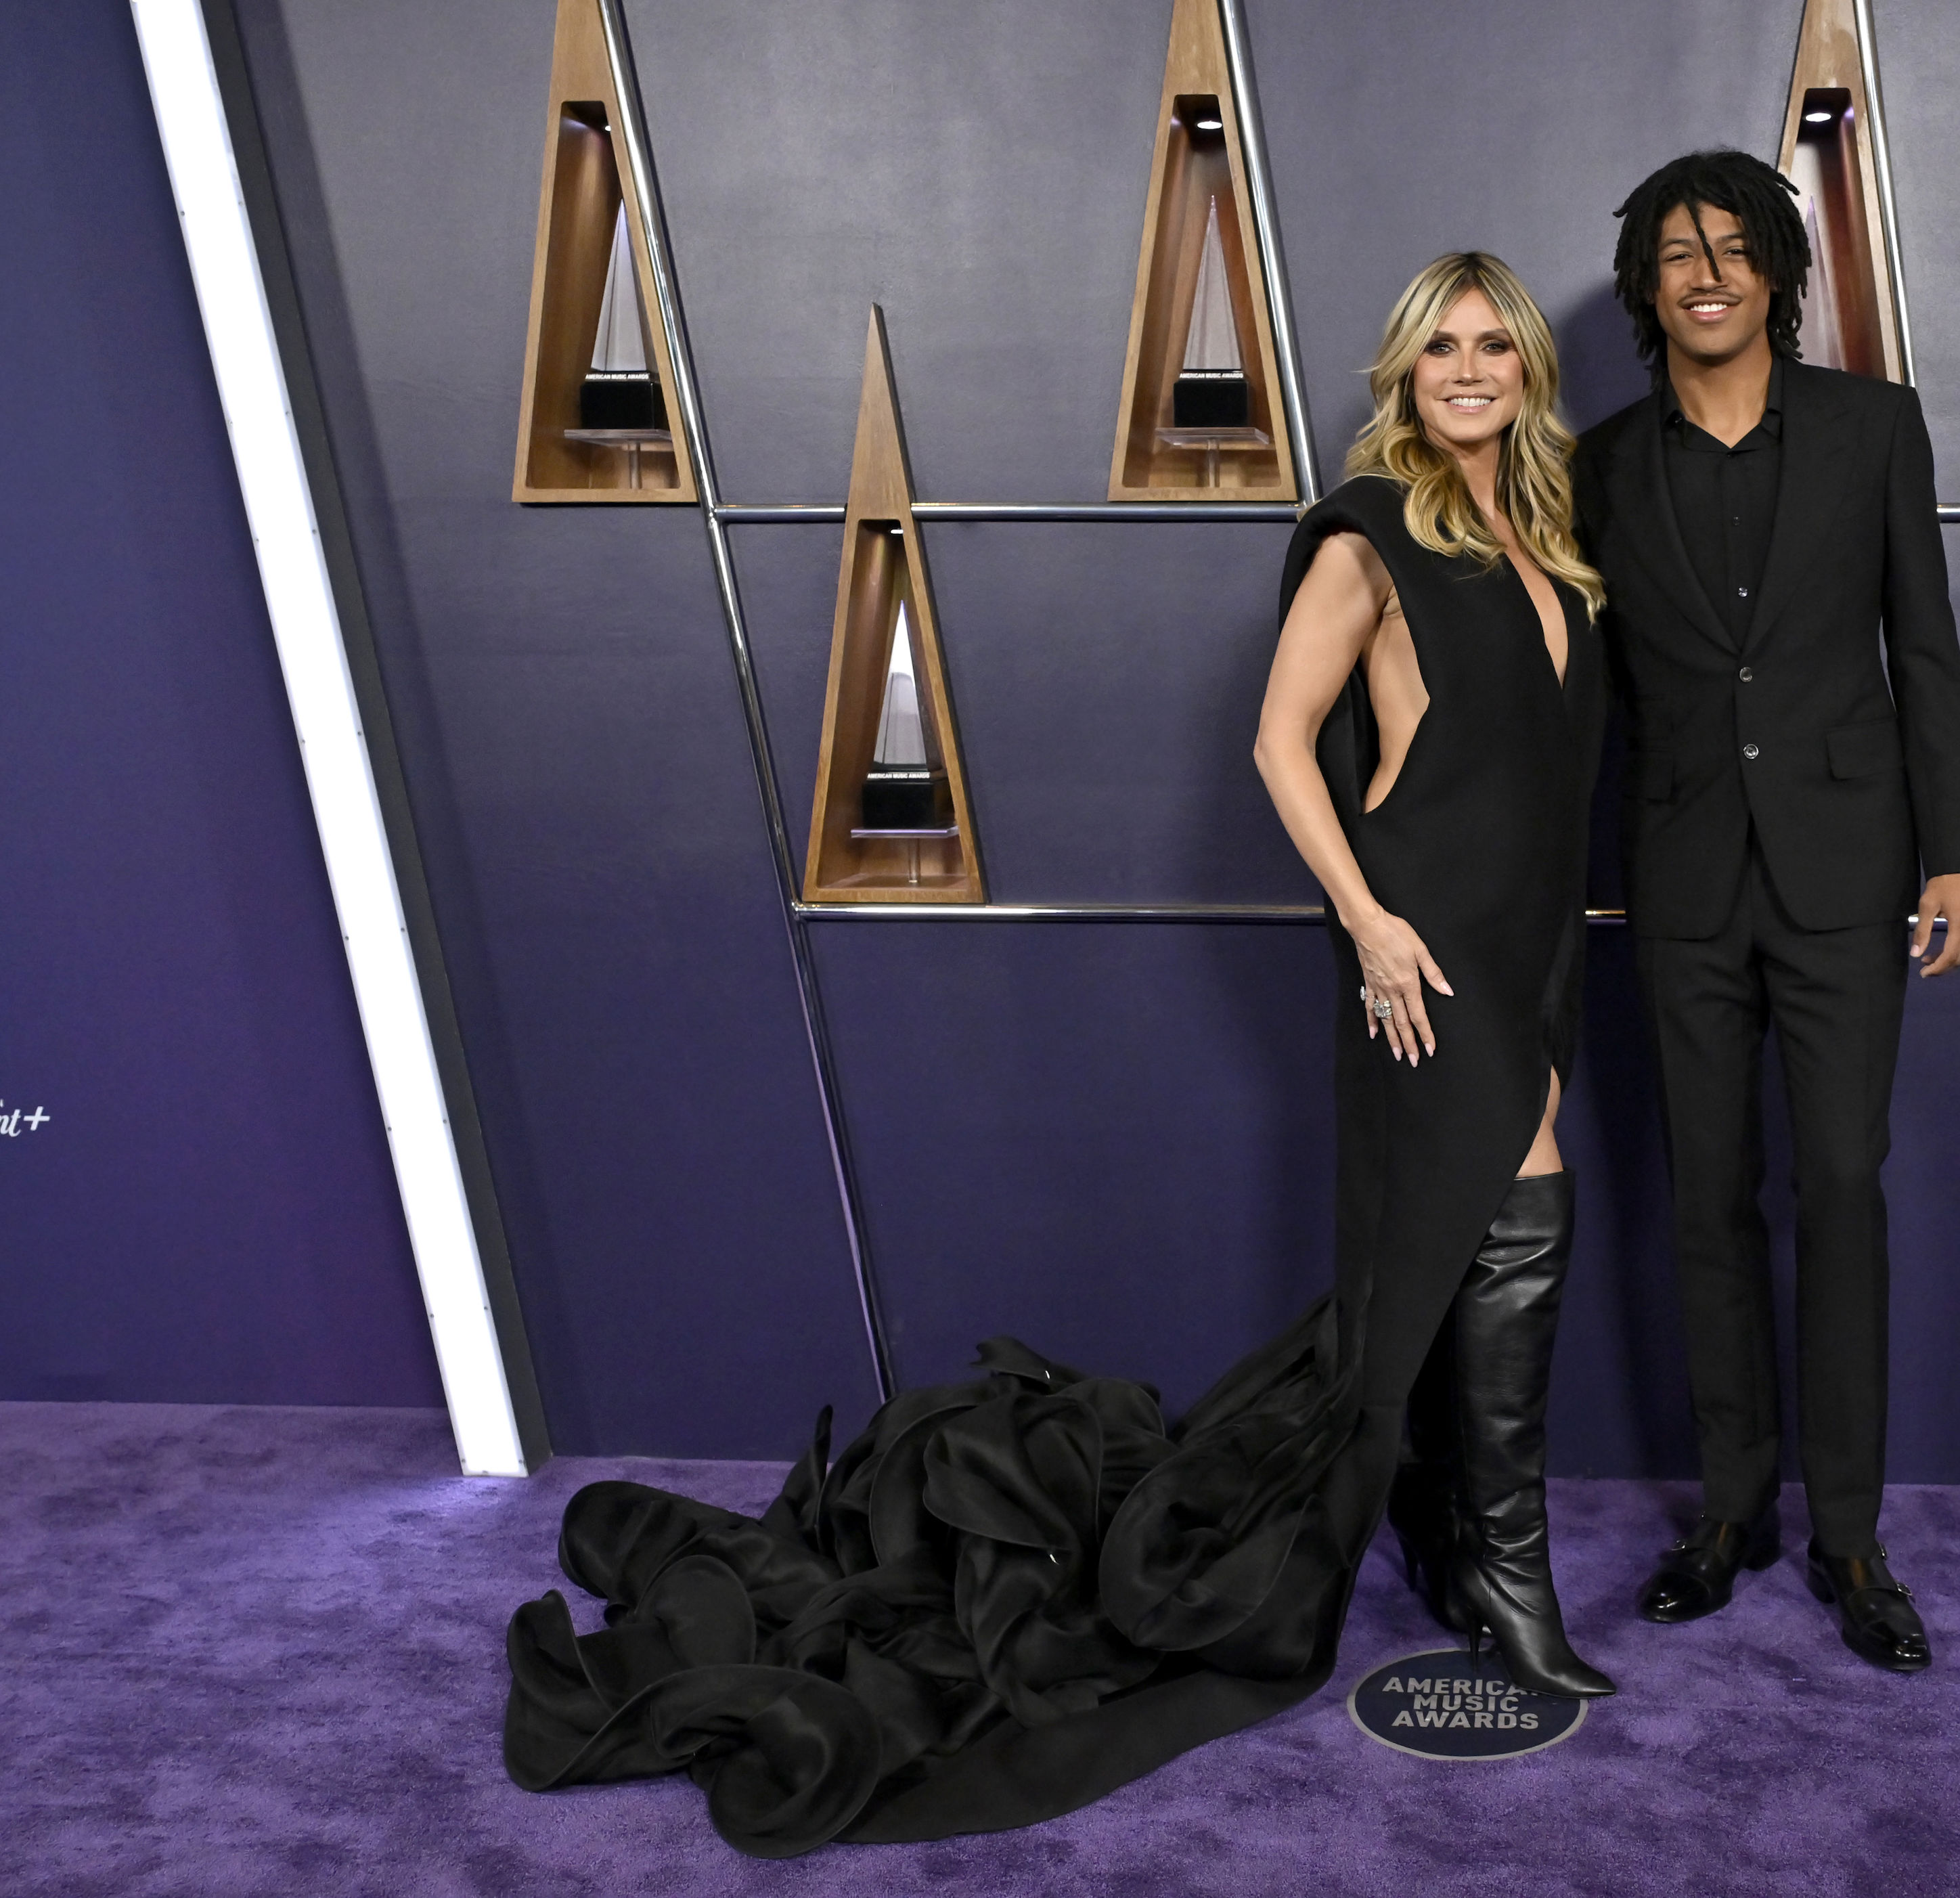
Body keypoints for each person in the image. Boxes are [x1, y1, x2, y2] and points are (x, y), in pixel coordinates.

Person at [497, 252, 1611, 1857]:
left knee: (1477, 1242)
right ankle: (1505, 1577)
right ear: (1399, 370)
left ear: (1527, 371)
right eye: (1439, 345)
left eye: (1493, 344)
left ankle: (1451, 1533)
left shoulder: (1549, 543)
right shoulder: (1378, 533)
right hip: (1421, 949)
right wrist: (1366, 922)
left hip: (1532, 948)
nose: (1469, 367)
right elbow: (1280, 742)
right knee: (1507, 1215)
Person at [1572, 150, 1960, 1675]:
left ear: (1777, 272)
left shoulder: (1874, 428)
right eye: (1676, 253)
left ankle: (1852, 1537)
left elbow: (1925, 649)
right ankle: (1730, 1515)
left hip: (1847, 876)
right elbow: (1588, 696)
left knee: (1842, 1189)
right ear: (1646, 282)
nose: (1704, 273)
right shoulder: (1601, 464)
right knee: (1703, 1205)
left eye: (1731, 248)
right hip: (1679, 878)